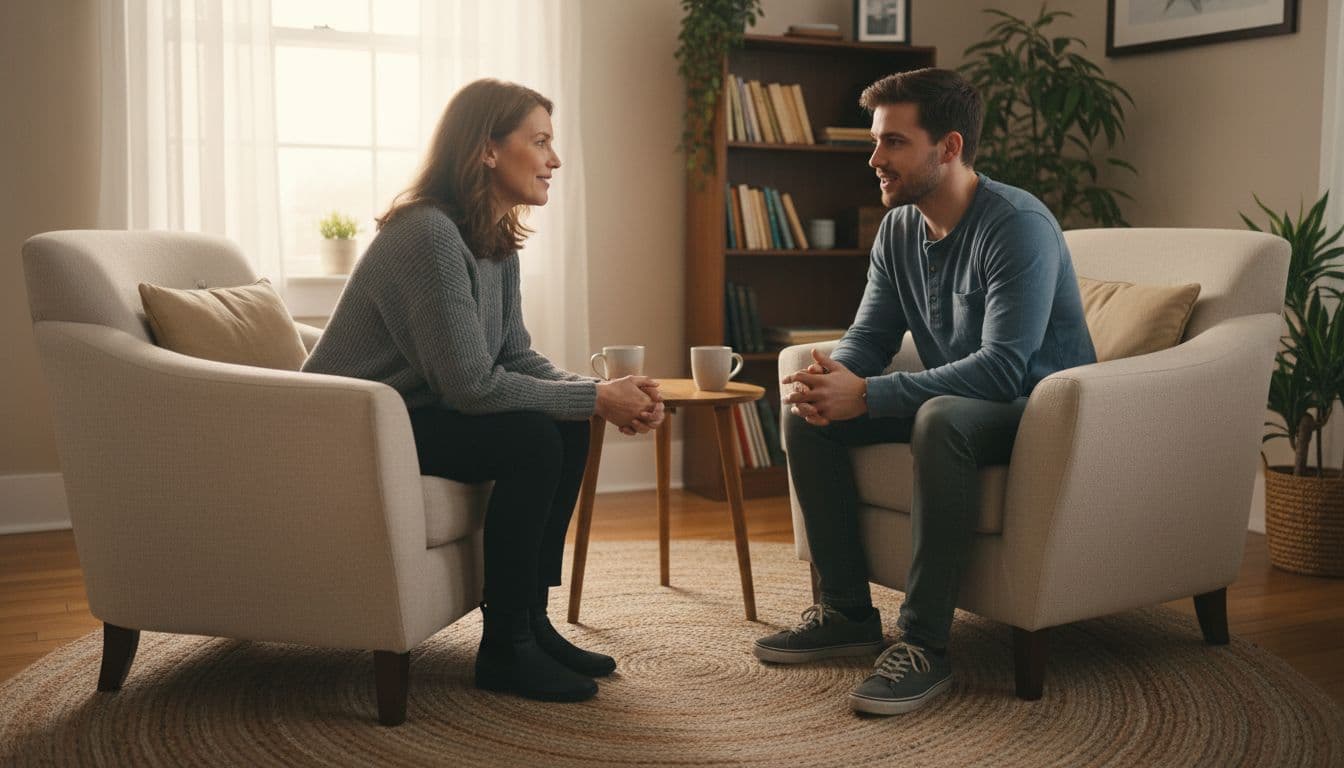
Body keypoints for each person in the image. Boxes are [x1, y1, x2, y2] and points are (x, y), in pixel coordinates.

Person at [303, 78, 664, 703]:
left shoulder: (492, 237)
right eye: (541, 142)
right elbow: (471, 386)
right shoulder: (429, 234)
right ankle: (505, 651)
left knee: (565, 422)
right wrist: (598, 398)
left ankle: (530, 623)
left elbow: (515, 356)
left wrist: (599, 392)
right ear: (487, 150)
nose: (554, 160)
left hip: (410, 415)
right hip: (350, 428)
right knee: (530, 437)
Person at [752, 68, 1096, 715]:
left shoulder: (1017, 226)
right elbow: (871, 335)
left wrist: (872, 396)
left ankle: (924, 646)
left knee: (940, 420)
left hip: (1039, 409)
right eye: (876, 141)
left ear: (950, 148)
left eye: (894, 143)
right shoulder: (900, 228)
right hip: (960, 400)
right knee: (810, 414)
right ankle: (847, 611)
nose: (875, 159)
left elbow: (1002, 370)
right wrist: (835, 380)